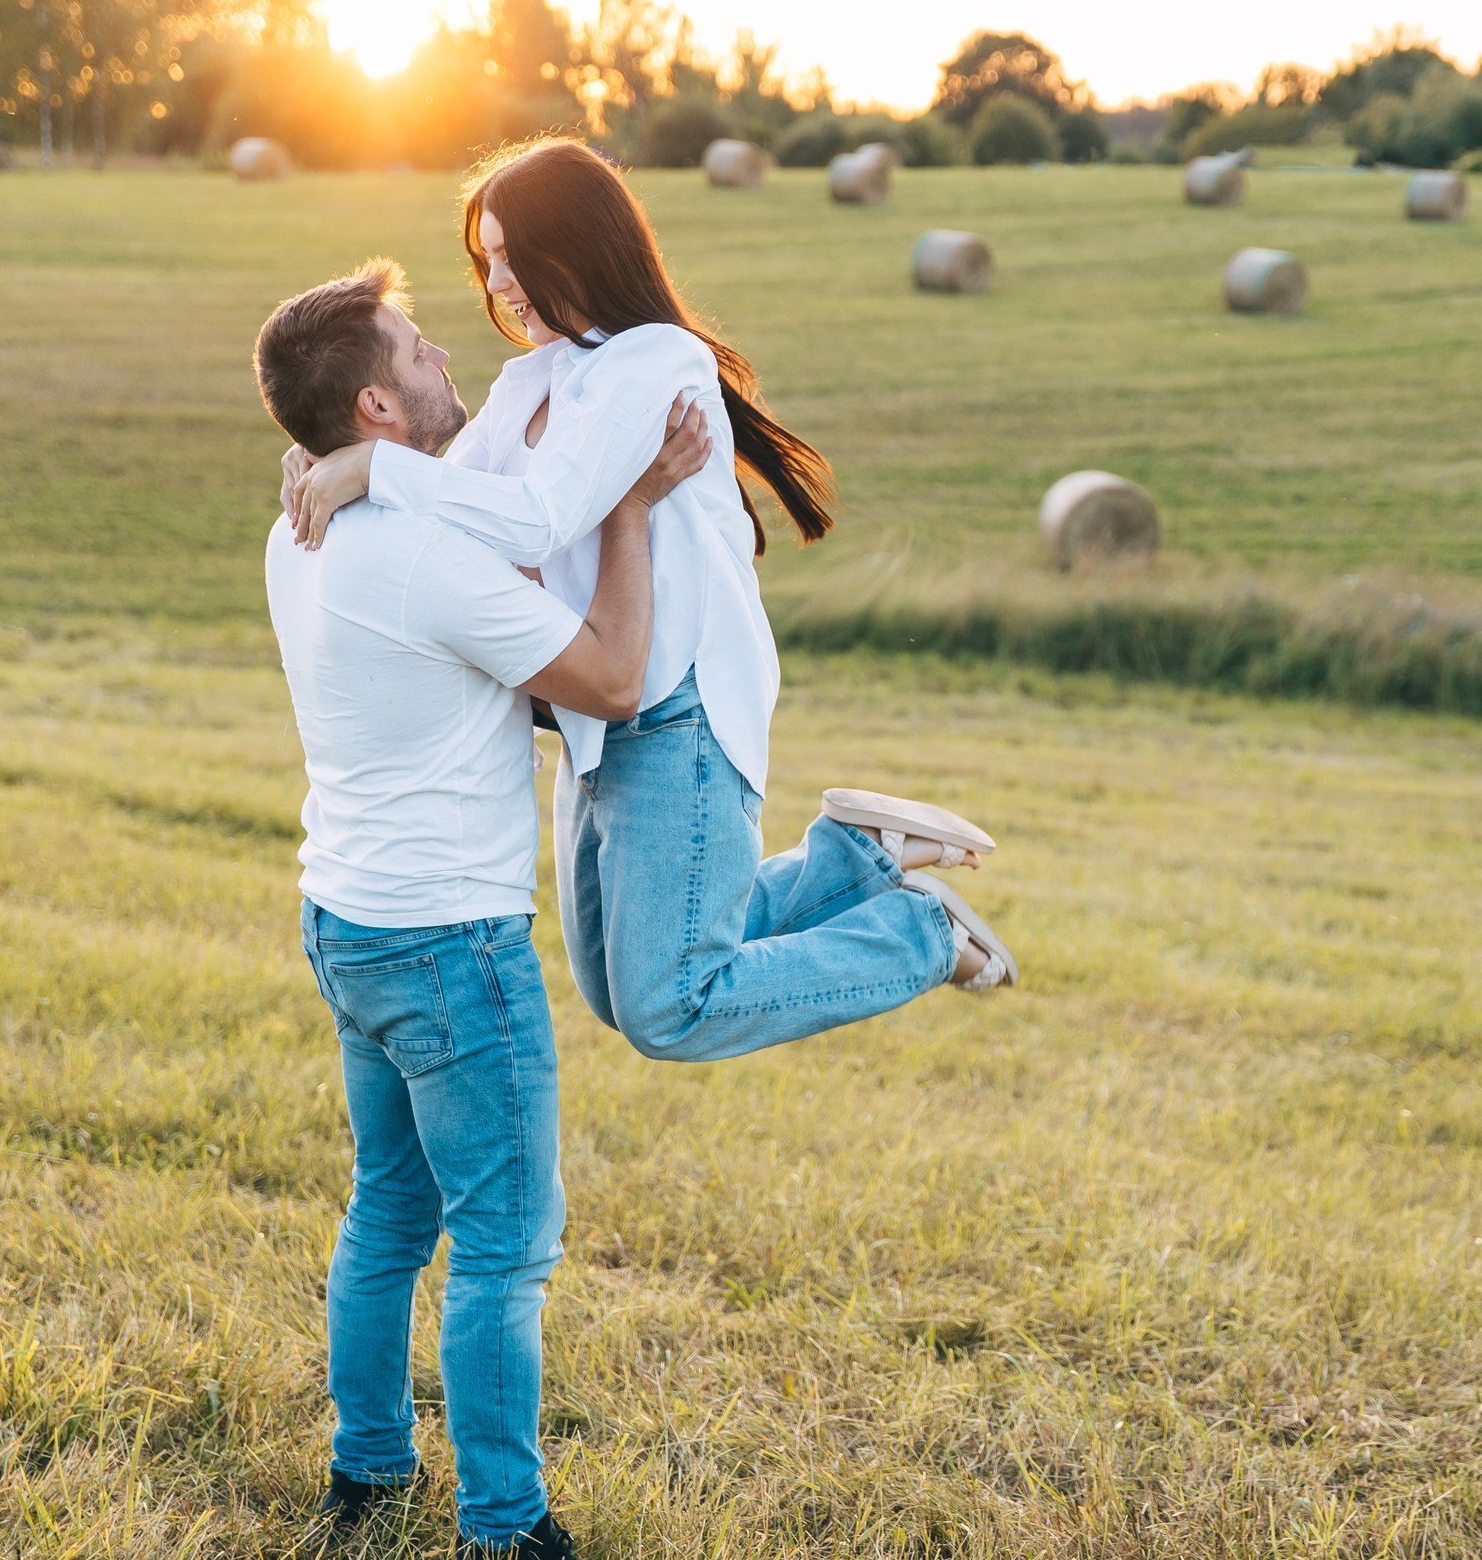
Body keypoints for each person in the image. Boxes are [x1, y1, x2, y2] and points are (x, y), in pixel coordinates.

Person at [282, 138, 1018, 1073]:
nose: (496, 283)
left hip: (678, 702)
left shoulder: (655, 362)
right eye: (487, 260)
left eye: (509, 256)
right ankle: (856, 857)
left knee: (669, 1004)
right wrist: (329, 452)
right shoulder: (535, 378)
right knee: (614, 987)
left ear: (574, 247)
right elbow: (449, 507)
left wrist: (373, 469)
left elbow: (539, 518)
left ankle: (919, 935)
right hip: (594, 712)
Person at [254, 258, 710, 1560]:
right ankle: (507, 1532)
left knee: (389, 1213)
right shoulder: (424, 559)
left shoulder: (297, 535)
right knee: (503, 1250)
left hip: (347, 918)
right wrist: (630, 508)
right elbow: (610, 679)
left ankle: (367, 1471)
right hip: (453, 945)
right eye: (418, 349)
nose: (447, 356)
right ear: (377, 409)